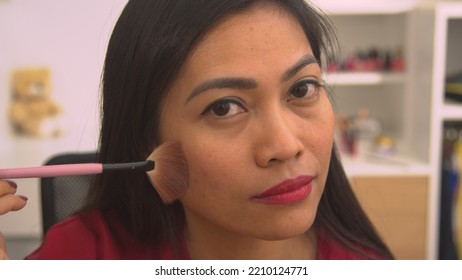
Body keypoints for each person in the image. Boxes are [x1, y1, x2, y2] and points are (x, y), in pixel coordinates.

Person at [0, 0, 394, 260]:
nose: (285, 145)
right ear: (147, 141)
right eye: (224, 107)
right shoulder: (80, 255)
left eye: (302, 89)